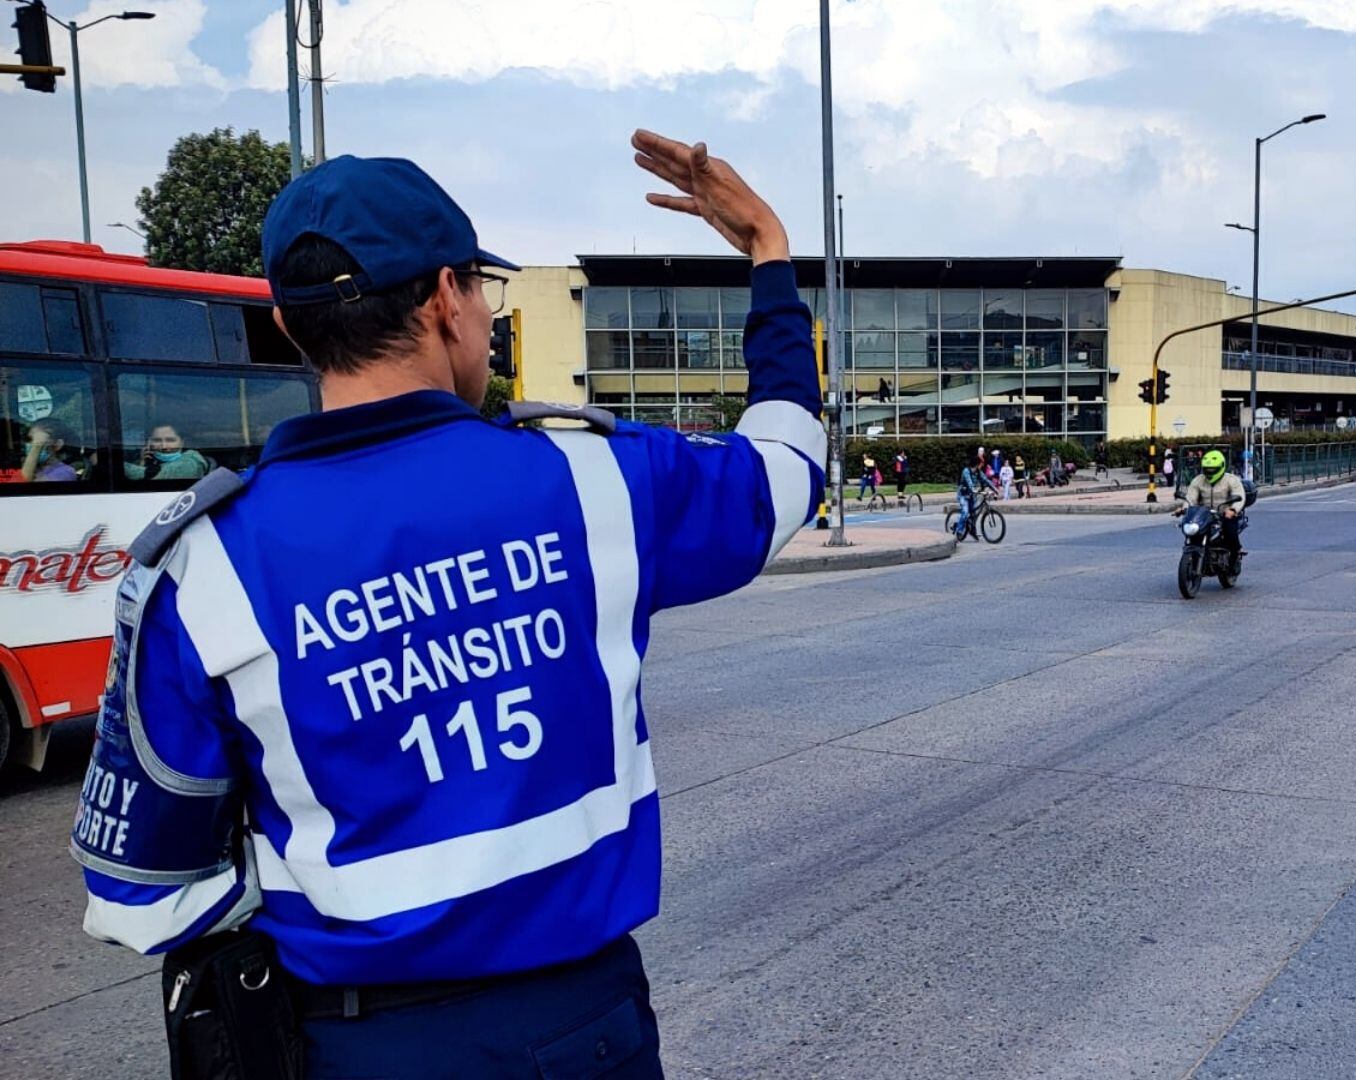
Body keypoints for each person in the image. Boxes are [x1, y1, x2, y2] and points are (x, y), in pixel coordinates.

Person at [71, 138, 825, 1078]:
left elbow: (145, 894)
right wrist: (768, 252)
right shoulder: (593, 480)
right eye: (482, 292)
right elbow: (785, 473)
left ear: (299, 328)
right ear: (442, 300)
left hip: (348, 1046)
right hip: (580, 1032)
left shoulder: (201, 563)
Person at [1177, 449, 1246, 564]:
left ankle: (1234, 555)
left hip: (1224, 514)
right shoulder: (1198, 480)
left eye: (1213, 469)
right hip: (1204, 514)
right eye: (1207, 469)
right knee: (1190, 528)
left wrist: (1233, 509)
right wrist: (1184, 508)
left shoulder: (1231, 480)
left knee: (1230, 531)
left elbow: (1240, 496)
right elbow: (1191, 498)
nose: (1210, 472)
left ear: (1221, 466)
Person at [125, 423, 213, 481]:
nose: (164, 446)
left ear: (182, 442)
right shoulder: (149, 459)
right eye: (157, 440)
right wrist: (142, 463)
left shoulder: (192, 462)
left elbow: (153, 476)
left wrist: (114, 463)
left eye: (170, 440)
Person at [954, 456, 990, 537]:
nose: (981, 465)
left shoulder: (978, 471)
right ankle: (959, 530)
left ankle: (972, 530)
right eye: (980, 464)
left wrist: (995, 490)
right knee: (965, 512)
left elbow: (986, 480)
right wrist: (974, 490)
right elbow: (970, 483)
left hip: (971, 495)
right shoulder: (966, 471)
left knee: (973, 513)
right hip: (962, 495)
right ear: (976, 464)